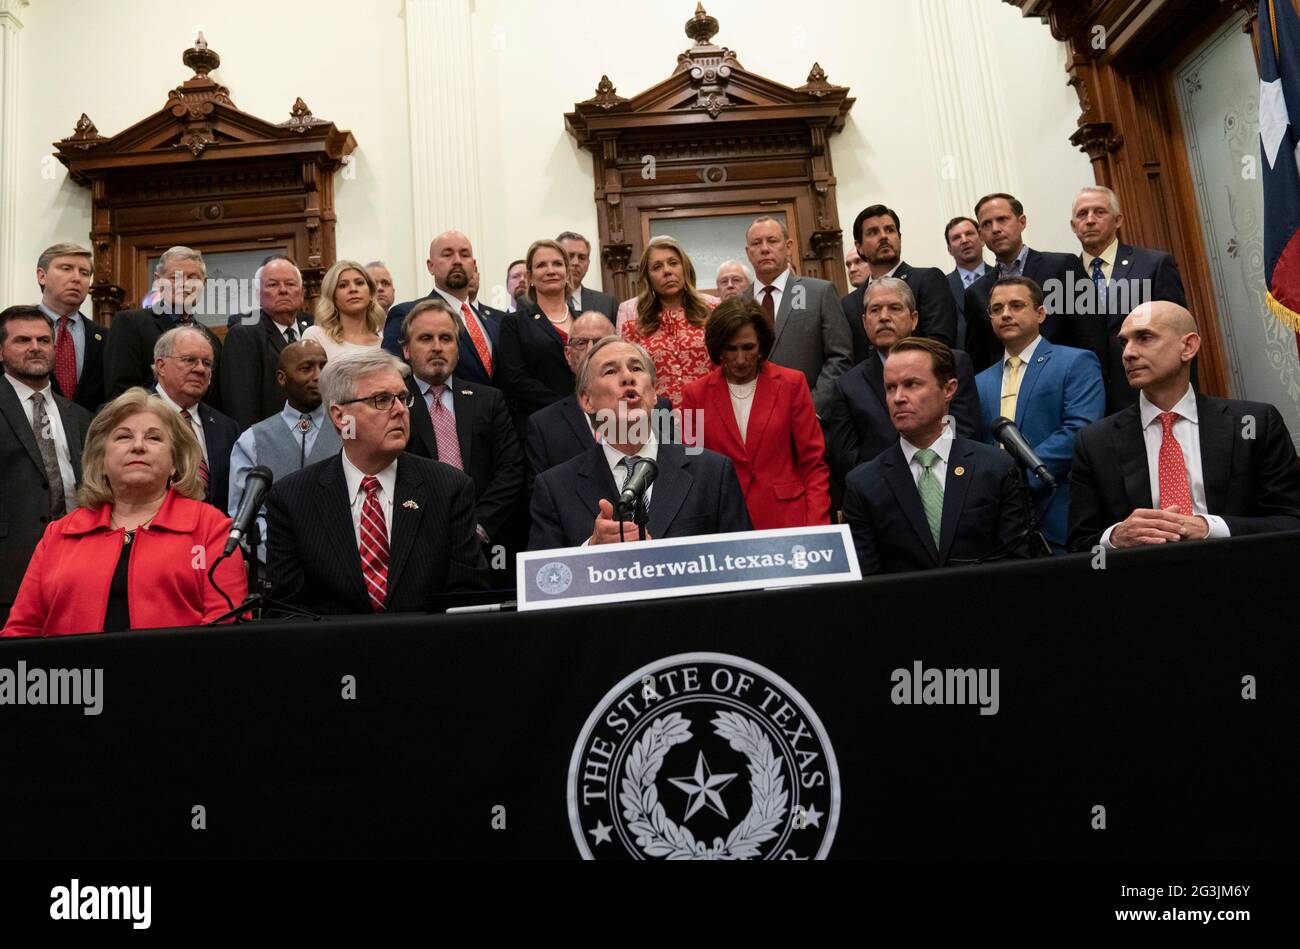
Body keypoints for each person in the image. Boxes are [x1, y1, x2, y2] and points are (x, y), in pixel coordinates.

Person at [2, 388, 247, 636]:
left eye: (154, 438)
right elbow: (21, 630)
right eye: (123, 437)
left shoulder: (211, 528)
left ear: (175, 463)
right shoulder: (59, 535)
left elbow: (226, 632)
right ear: (102, 460)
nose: (138, 446)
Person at [266, 349, 487, 613]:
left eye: (403, 398)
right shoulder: (292, 498)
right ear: (340, 416)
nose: (399, 410)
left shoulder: (450, 488)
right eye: (381, 399)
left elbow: (468, 599)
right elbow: (288, 612)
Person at [1068, 302, 1300, 551]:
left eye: (1145, 338)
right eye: (1124, 343)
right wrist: (1114, 538)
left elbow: (1291, 522)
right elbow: (1080, 545)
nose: (1128, 354)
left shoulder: (1254, 424)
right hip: (1141, 580)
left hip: (1239, 576)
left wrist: (1210, 528)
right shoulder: (1094, 441)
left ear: (1188, 346)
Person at [529, 337, 752, 549]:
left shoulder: (712, 473)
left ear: (654, 393)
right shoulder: (555, 489)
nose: (628, 377)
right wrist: (590, 550)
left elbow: (744, 566)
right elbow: (545, 580)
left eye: (636, 368)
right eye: (610, 371)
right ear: (587, 401)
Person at [842, 337, 1031, 574]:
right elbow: (865, 584)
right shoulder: (863, 484)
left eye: (911, 384)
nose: (898, 397)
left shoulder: (996, 468)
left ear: (949, 389)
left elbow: (1017, 568)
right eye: (891, 387)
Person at [974, 277, 1104, 552]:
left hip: (1058, 514)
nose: (1005, 314)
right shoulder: (980, 381)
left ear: (1040, 313)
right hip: (1002, 529)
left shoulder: (1076, 362)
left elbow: (1080, 430)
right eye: (996, 309)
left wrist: (1014, 476)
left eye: (1016, 305)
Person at [681, 298, 830, 529]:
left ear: (761, 346)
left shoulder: (792, 384)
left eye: (748, 347)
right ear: (718, 348)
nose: (740, 359)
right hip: (724, 525)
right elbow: (694, 470)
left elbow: (813, 464)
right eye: (731, 349)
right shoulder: (695, 395)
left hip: (788, 521)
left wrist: (818, 528)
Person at [824, 278, 982, 484]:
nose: (883, 317)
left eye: (894, 308)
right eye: (875, 310)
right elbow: (847, 460)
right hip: (884, 497)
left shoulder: (953, 364)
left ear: (914, 318)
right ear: (864, 323)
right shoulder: (847, 386)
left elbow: (966, 432)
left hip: (953, 483)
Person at [400, 299, 525, 549]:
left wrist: (479, 526)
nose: (437, 347)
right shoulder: (393, 404)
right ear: (406, 350)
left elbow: (511, 469)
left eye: (446, 339)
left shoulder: (488, 400)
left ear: (458, 348)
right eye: (426, 338)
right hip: (415, 540)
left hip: (486, 541)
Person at [0, 306, 94, 626]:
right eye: (22, 340)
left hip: (77, 567)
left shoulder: (81, 417)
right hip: (9, 573)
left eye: (43, 339)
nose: (35, 347)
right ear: (0, 351)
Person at [1069, 185, 1188, 413]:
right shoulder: (1064, 275)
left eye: (1100, 212)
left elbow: (1178, 332)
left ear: (1118, 220)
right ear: (1073, 226)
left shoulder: (1154, 264)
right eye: (1082, 214)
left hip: (1150, 394)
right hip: (1089, 402)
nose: (1090, 220)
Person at [963, 193, 1104, 374]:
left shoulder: (1062, 267)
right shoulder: (975, 293)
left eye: (1002, 219)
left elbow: (1093, 336)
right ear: (981, 235)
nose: (995, 229)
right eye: (986, 224)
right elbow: (979, 359)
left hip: (1067, 381)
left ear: (1022, 222)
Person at [227, 340, 340, 561]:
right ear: (282, 378)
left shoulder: (351, 431)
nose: (318, 376)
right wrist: (283, 558)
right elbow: (244, 518)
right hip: (275, 574)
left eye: (323, 367)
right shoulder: (251, 440)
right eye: (306, 368)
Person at [524, 311, 674, 474]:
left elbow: (674, 469)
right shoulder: (543, 425)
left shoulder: (660, 408)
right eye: (581, 343)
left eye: (601, 342)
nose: (591, 349)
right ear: (568, 354)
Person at [745, 216, 853, 414]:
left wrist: (811, 408)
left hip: (808, 417)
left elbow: (840, 356)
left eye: (772, 240)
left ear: (789, 247)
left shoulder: (818, 293)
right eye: (756, 243)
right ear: (748, 252)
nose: (764, 248)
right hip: (753, 419)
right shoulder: (738, 303)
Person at [104, 245, 224, 408]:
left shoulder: (212, 341)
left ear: (204, 283)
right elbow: (121, 393)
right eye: (175, 277)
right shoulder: (130, 323)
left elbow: (214, 401)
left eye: (193, 277)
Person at [381, 231, 503, 387]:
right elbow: (391, 378)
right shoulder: (407, 314)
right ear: (430, 266)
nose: (457, 261)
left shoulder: (495, 321)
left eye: (464, 255)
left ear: (473, 265)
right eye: (447, 255)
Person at [840, 204, 958, 359]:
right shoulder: (849, 303)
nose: (883, 236)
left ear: (899, 238)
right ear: (859, 247)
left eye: (890, 230)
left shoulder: (928, 279)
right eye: (873, 232)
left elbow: (940, 343)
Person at [619, 237, 717, 409]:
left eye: (673, 263)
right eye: (657, 267)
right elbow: (630, 380)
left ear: (684, 268)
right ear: (648, 278)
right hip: (660, 419)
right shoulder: (634, 327)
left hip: (711, 411)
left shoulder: (712, 313)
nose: (667, 271)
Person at [150, 327, 240, 514]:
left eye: (207, 363)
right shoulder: (129, 415)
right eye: (189, 360)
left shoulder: (227, 428)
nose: (200, 369)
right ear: (161, 365)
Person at [219, 257, 315, 431]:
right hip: (270, 439)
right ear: (259, 295)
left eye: (290, 284)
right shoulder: (244, 335)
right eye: (273, 285)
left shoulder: (313, 332)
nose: (283, 290)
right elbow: (241, 406)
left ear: (301, 294)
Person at [498, 239, 583, 423]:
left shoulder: (586, 321)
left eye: (557, 264)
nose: (551, 270)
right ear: (530, 277)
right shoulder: (514, 323)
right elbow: (515, 381)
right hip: (542, 423)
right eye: (541, 265)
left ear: (567, 272)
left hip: (592, 423)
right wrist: (569, 406)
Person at [36, 242, 109, 413]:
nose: (77, 278)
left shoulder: (104, 337)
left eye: (84, 273)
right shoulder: (13, 328)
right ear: (42, 276)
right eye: (66, 268)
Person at [302, 259, 384, 360]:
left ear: (371, 293)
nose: (353, 289)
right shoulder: (316, 336)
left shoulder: (384, 344)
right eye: (343, 285)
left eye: (359, 283)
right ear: (332, 296)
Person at [943, 216, 989, 346]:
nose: (964, 240)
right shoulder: (942, 286)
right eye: (957, 238)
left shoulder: (1002, 277)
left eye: (969, 233)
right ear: (949, 249)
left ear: (981, 239)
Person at [558, 230, 617, 321]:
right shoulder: (539, 302)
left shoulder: (607, 304)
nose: (576, 263)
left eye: (581, 258)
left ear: (588, 264)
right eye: (570, 256)